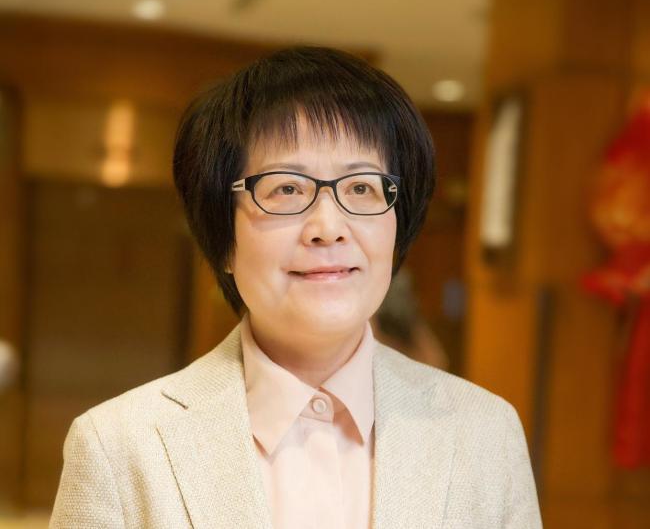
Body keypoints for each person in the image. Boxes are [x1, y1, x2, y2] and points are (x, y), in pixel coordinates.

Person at [50, 46, 542, 528]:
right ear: (224, 240)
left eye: (361, 188)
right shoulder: (119, 448)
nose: (328, 227)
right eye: (286, 188)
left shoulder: (485, 434)